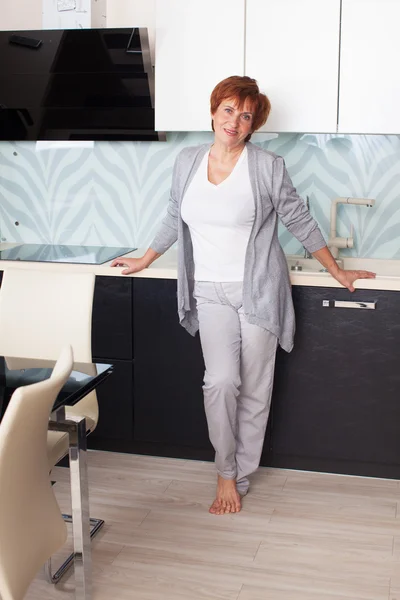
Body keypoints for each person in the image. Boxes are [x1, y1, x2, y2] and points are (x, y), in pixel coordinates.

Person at [111, 76, 376, 516]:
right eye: (229, 110)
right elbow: (174, 214)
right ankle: (224, 469)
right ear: (214, 111)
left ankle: (238, 475)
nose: (235, 121)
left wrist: (337, 271)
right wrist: (144, 258)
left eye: (246, 115)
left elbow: (300, 221)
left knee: (254, 390)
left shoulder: (268, 166)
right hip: (208, 292)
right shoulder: (187, 161)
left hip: (257, 291)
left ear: (253, 125)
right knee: (220, 381)